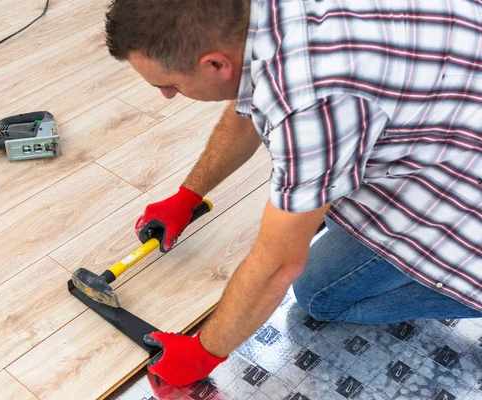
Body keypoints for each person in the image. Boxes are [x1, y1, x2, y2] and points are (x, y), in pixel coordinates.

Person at [105, 0, 482, 387]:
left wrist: (205, 351)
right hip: (453, 102)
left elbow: (279, 263)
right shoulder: (266, 18)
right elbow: (249, 102)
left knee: (320, 295)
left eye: (170, 84)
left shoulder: (312, 104)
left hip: (465, 177)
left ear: (216, 64)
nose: (167, 94)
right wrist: (188, 195)